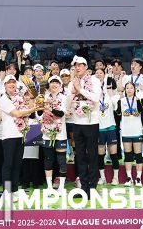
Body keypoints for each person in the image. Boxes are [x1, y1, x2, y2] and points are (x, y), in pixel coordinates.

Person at [0, 74, 41, 200]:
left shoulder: (19, 98)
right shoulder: (3, 99)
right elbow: (16, 113)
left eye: (13, 82)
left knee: (17, 164)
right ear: (5, 85)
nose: (12, 84)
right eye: (9, 82)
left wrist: (34, 101)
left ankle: (15, 190)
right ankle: (6, 191)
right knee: (8, 164)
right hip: (9, 136)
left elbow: (27, 111)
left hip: (21, 134)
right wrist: (32, 109)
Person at [67, 56, 102, 198]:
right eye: (76, 65)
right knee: (80, 156)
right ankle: (83, 187)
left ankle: (92, 187)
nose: (78, 67)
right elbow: (67, 102)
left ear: (86, 67)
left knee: (92, 156)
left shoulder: (94, 80)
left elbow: (96, 98)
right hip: (77, 123)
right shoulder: (72, 82)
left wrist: (80, 89)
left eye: (80, 65)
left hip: (91, 123)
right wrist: (73, 90)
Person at [41, 76, 68, 191]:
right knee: (48, 160)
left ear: (61, 86)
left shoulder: (64, 98)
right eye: (52, 82)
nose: (54, 84)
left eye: (57, 83)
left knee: (61, 161)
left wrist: (49, 109)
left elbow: (61, 113)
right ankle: (49, 186)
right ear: (48, 85)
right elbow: (39, 113)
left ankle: (61, 186)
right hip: (47, 134)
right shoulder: (44, 97)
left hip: (60, 134)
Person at [95, 68, 120, 185]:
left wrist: (110, 90)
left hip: (110, 127)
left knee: (113, 154)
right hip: (99, 128)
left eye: (101, 73)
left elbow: (116, 105)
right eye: (97, 73)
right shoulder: (94, 98)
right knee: (100, 155)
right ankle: (102, 177)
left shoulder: (111, 96)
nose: (99, 75)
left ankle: (116, 178)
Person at [120, 82, 143, 186]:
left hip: (137, 131)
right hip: (126, 131)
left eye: (131, 88)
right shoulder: (121, 101)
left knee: (138, 155)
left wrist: (138, 98)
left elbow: (140, 110)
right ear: (125, 90)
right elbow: (118, 113)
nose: (129, 90)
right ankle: (129, 177)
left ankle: (138, 178)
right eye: (127, 88)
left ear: (134, 89)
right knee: (128, 155)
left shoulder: (138, 100)